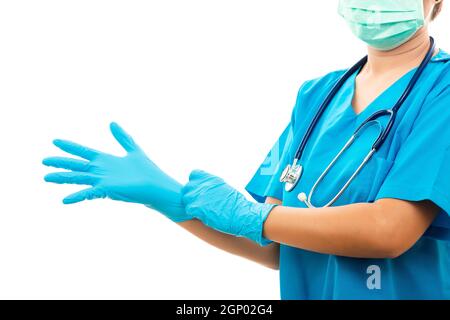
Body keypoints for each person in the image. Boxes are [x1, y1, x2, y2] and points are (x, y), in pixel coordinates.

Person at [43, 0, 450, 299]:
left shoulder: (442, 90)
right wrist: (173, 200)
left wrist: (252, 215)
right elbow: (272, 243)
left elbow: (389, 230)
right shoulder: (318, 96)